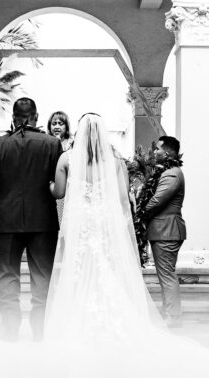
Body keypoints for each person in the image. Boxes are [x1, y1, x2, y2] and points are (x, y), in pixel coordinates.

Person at [45, 113, 158, 340]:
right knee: (105, 265)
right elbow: (121, 198)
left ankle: (77, 317)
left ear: (79, 132)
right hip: (104, 220)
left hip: (80, 221)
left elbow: (59, 192)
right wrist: (124, 227)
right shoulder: (115, 161)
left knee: (78, 266)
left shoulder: (66, 159)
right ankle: (111, 317)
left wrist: (49, 186)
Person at [0, 98, 62, 341]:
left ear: (14, 117)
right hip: (43, 221)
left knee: (7, 275)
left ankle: (10, 329)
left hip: (7, 221)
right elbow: (57, 184)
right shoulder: (52, 144)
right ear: (36, 117)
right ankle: (39, 329)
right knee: (42, 277)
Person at [140, 135, 186, 327]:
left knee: (166, 274)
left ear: (166, 152)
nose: (154, 152)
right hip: (162, 229)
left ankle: (173, 316)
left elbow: (157, 201)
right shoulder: (165, 172)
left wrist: (139, 212)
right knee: (164, 274)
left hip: (167, 229)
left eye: (157, 149)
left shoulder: (172, 174)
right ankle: (168, 310)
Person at [48, 111, 73, 224]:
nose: (57, 126)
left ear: (66, 126)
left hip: (68, 189)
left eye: (60, 123)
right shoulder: (45, 143)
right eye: (54, 123)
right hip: (51, 188)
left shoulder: (72, 143)